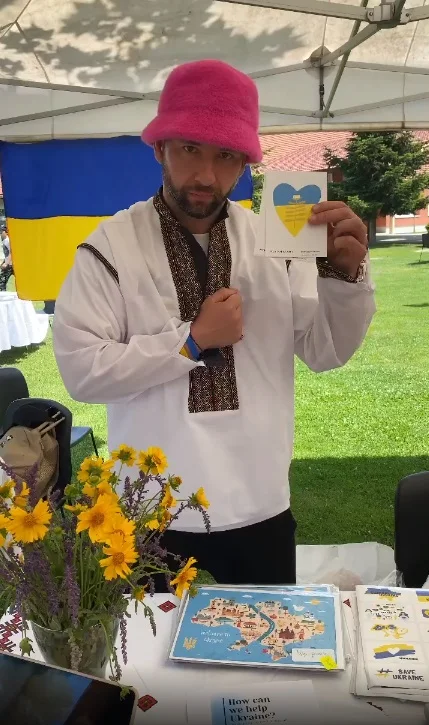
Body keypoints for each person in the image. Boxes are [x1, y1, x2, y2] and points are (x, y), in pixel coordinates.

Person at [53, 60, 375, 588]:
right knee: (150, 646)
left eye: (225, 155)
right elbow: (82, 371)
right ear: (159, 148)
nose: (206, 175)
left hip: (259, 502)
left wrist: (344, 277)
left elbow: (325, 352)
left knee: (268, 639)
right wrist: (191, 341)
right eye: (189, 149)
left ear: (244, 161)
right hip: (150, 509)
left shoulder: (277, 241)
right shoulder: (111, 247)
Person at [0, 227, 13, 291]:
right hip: (10, 264)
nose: (0, 233)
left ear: (5, 232)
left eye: (2, 232)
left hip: (10, 265)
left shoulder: (7, 241)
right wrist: (3, 262)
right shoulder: (5, 240)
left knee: (2, 282)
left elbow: (12, 252)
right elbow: (7, 254)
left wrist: (6, 263)